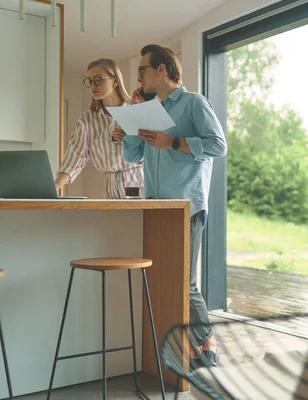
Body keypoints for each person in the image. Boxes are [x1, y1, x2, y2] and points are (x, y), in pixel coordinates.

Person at [116, 44, 227, 366]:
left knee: (185, 283)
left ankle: (208, 345)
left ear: (161, 70)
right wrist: (130, 129)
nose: (138, 76)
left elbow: (218, 145)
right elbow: (132, 156)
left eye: (142, 70)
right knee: (165, 280)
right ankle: (188, 351)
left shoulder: (194, 103)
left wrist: (175, 142)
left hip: (186, 207)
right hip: (155, 207)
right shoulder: (152, 108)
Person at [55, 58, 144, 199]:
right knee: (115, 221)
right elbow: (75, 156)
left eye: (98, 79)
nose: (93, 85)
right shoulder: (87, 120)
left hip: (136, 181)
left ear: (115, 81)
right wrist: (55, 186)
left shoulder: (136, 110)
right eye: (90, 81)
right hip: (110, 187)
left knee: (138, 218)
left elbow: (154, 151)